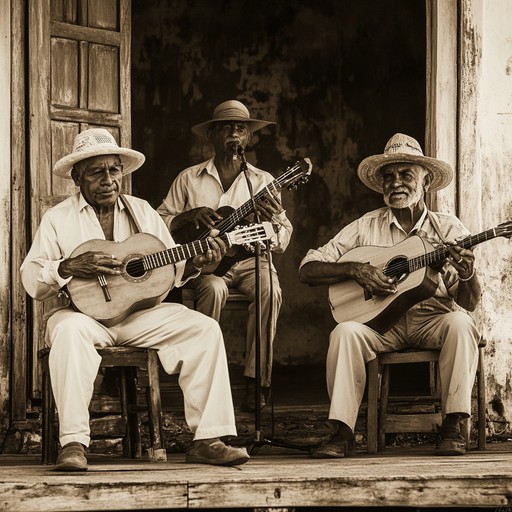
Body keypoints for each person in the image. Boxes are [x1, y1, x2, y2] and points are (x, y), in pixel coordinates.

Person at [21, 128, 250, 471]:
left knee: (203, 329)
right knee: (67, 332)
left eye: (114, 170)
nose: (108, 180)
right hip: (82, 317)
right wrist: (68, 266)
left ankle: (208, 439)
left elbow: (168, 268)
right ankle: (73, 443)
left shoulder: (142, 212)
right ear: (77, 177)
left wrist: (197, 263)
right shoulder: (58, 218)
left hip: (137, 317)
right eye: (97, 172)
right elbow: (31, 280)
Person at [299, 133, 481, 458]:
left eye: (406, 174)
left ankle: (454, 424)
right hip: (383, 326)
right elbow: (308, 268)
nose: (396, 182)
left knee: (461, 323)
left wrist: (467, 272)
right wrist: (355, 270)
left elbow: (468, 302)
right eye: (389, 176)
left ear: (425, 183)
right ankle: (341, 432)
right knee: (345, 332)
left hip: (431, 319)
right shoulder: (365, 227)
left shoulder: (450, 229)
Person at [157, 100, 294, 411]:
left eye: (241, 129)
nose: (235, 133)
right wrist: (186, 217)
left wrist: (274, 221)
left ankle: (256, 382)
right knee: (214, 289)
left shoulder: (262, 182)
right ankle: (202, 380)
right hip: (203, 267)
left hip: (248, 261)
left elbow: (282, 237)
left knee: (270, 289)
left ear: (248, 138)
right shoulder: (188, 179)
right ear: (213, 136)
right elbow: (157, 223)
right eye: (227, 128)